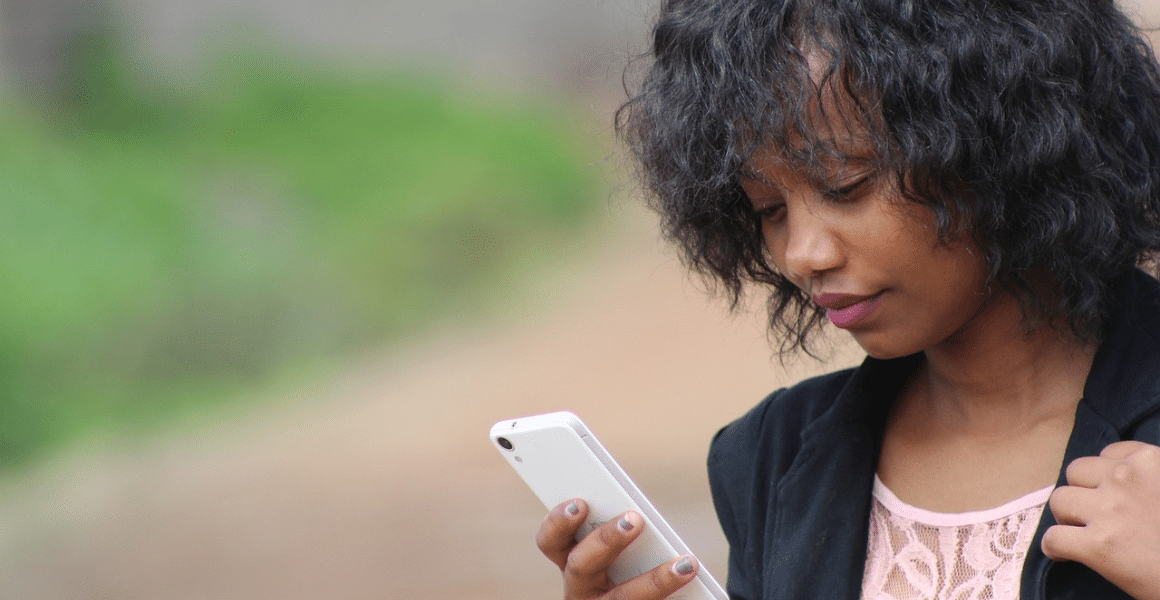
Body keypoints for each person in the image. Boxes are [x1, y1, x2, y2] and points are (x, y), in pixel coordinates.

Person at [535, 0, 1160, 598]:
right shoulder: (770, 457)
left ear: (1005, 141)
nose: (802, 254)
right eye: (770, 211)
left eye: (845, 185)